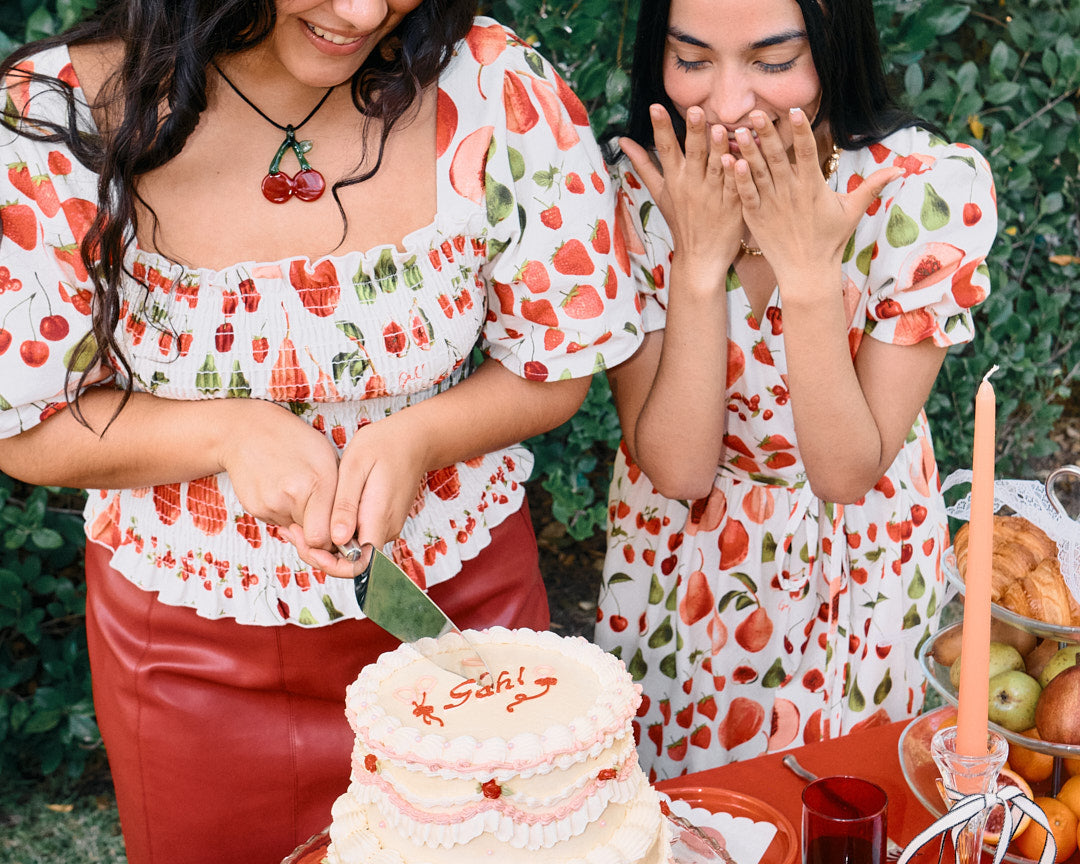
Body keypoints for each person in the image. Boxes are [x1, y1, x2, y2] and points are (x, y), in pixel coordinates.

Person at [0, 1, 642, 860]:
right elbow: (25, 427)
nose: (363, 13)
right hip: (193, 658)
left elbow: (557, 363)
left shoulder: (495, 85)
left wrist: (425, 437)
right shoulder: (55, 117)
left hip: (460, 619)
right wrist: (227, 434)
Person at [596, 0, 996, 780]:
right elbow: (677, 471)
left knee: (843, 802)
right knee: (683, 808)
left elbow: (847, 472)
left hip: (858, 556)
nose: (729, 102)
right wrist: (699, 267)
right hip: (682, 560)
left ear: (835, 48)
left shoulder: (921, 189)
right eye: (692, 58)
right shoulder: (641, 187)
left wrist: (810, 276)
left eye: (774, 63)